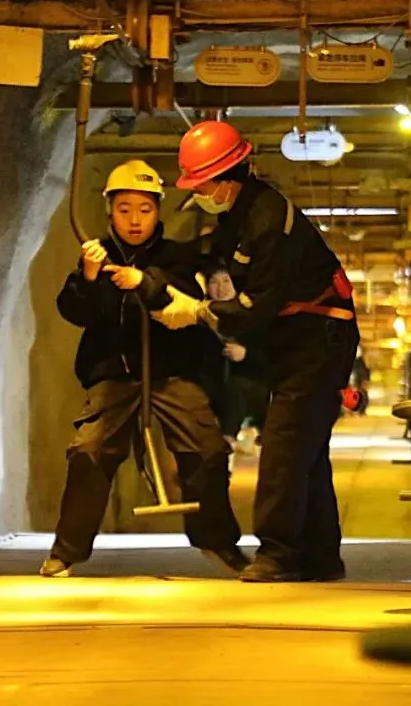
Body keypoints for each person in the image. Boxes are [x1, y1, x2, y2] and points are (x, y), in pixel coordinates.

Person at [152, 121, 361, 583]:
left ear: (225, 179)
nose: (197, 193)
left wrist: (199, 312)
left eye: (200, 184)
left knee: (284, 448)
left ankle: (278, 554)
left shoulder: (268, 222)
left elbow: (254, 307)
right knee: (306, 451)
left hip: (318, 339)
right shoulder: (243, 212)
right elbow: (210, 251)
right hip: (301, 339)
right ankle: (320, 556)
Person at [41, 159, 247, 578]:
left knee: (206, 449)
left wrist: (145, 282)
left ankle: (218, 541)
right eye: (124, 210)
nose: (134, 220)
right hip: (115, 373)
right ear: (109, 211)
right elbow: (74, 311)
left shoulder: (178, 256)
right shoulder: (95, 256)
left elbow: (184, 298)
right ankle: (66, 551)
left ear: (157, 211)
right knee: (88, 451)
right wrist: (88, 276)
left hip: (172, 372)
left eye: (144, 209)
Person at [202, 262, 269, 454]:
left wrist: (246, 354)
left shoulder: (253, 317)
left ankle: (229, 438)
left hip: (252, 388)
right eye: (214, 282)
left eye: (226, 281)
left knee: (238, 387)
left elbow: (271, 355)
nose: (220, 288)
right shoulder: (202, 317)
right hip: (213, 387)